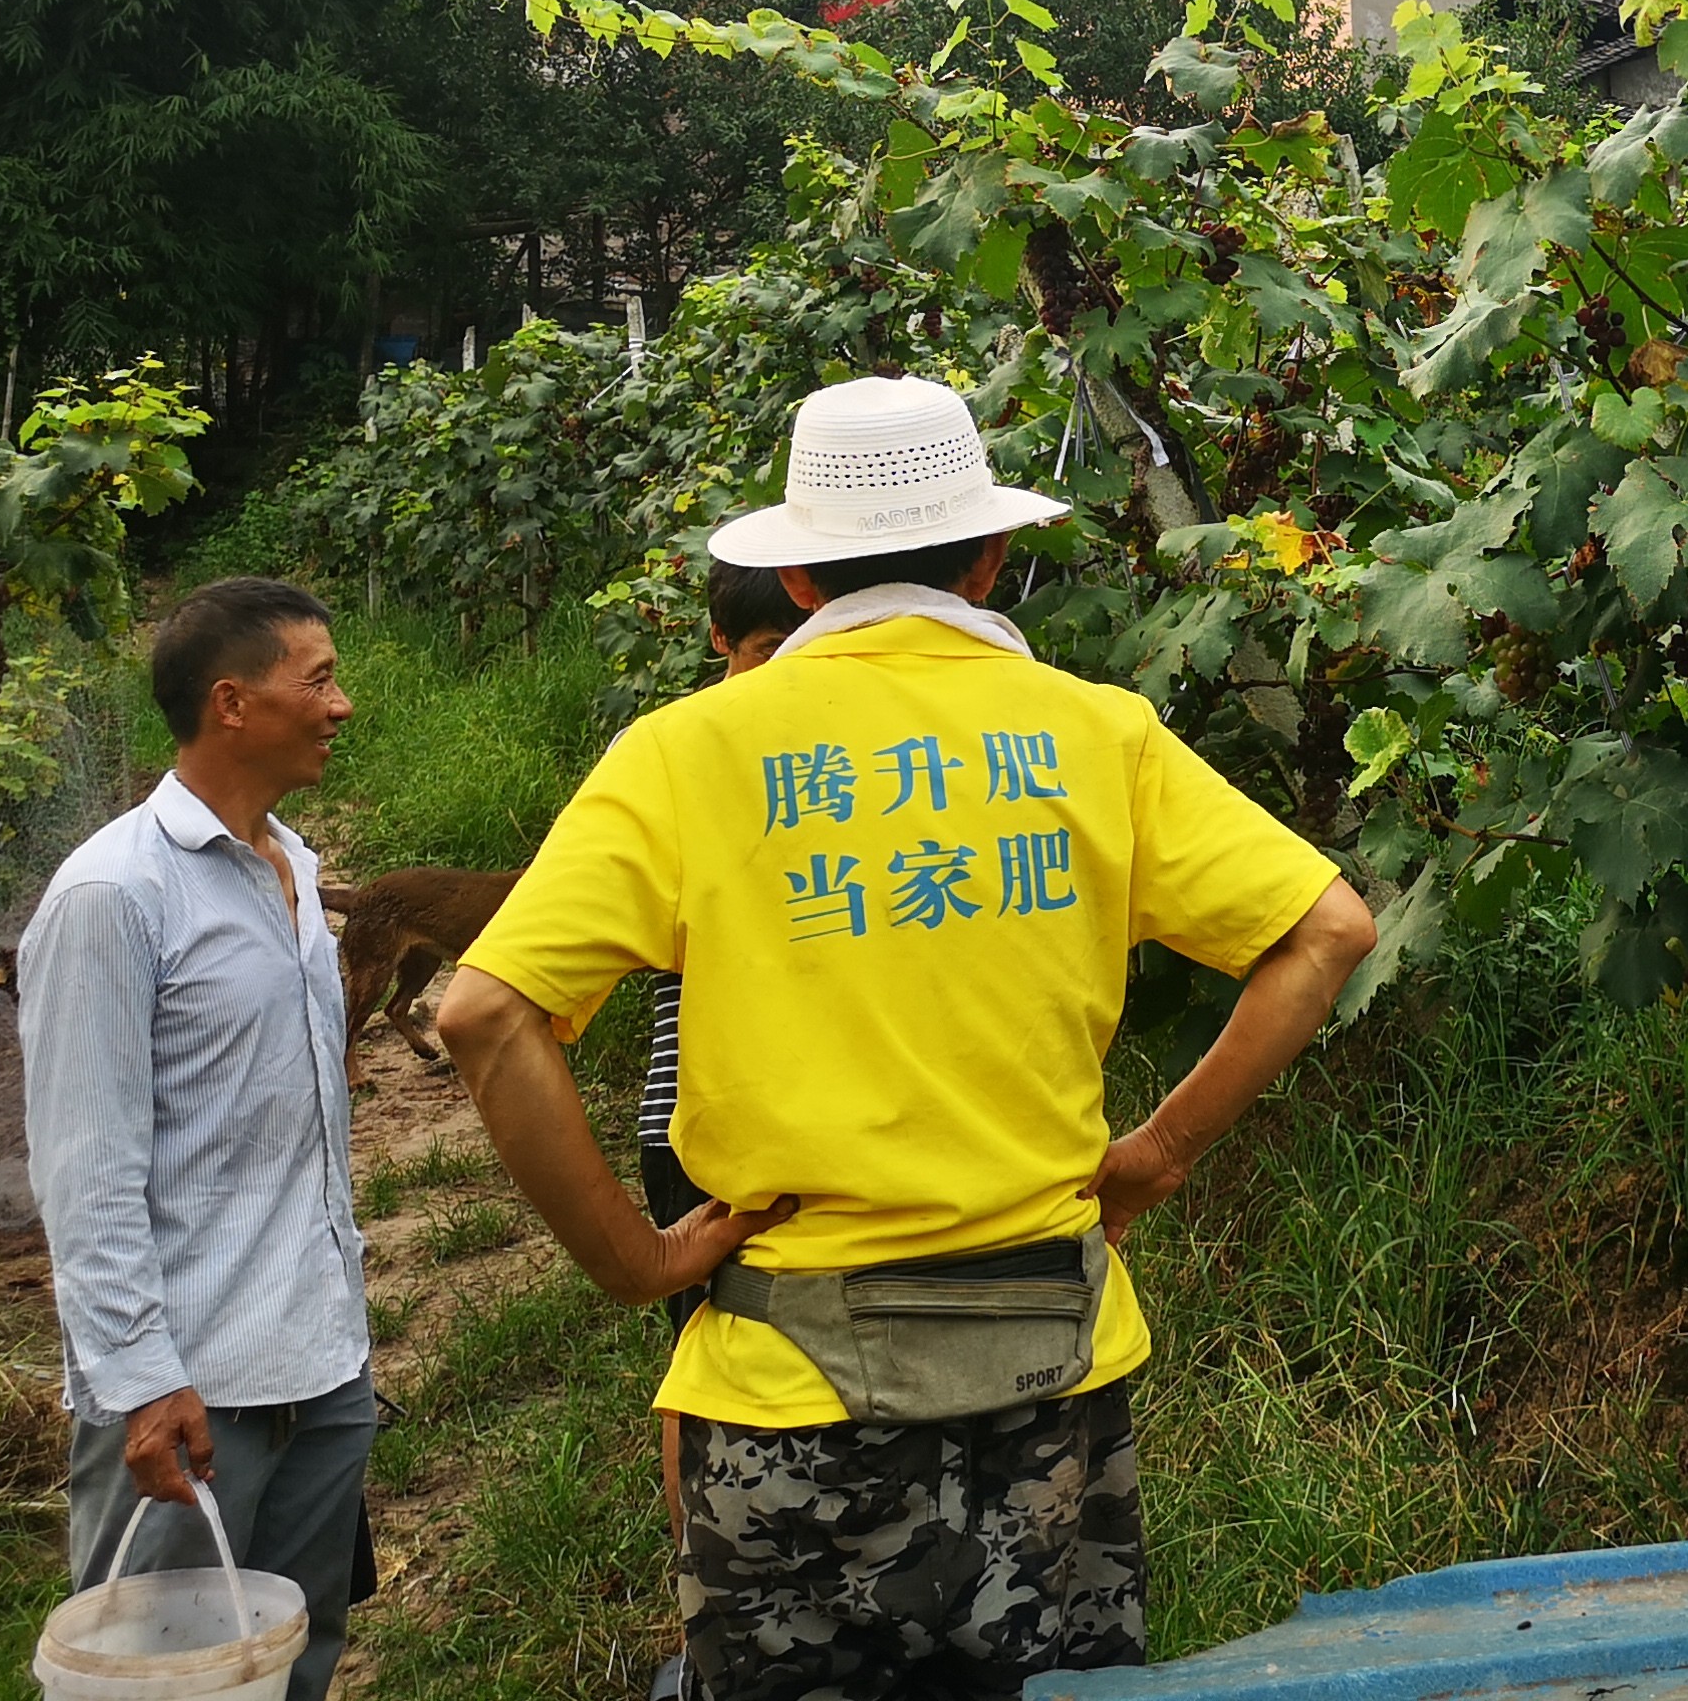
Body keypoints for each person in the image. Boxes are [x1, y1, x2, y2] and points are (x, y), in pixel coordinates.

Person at [438, 374, 1376, 1696]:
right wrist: (1158, 1151)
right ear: (992, 556)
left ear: (804, 577)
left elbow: (486, 1015)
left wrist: (634, 1260)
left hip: (791, 1390)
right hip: (1055, 1374)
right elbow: (1327, 932)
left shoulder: (686, 752)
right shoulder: (1097, 733)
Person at [17, 578, 376, 1701]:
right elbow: (84, 1168)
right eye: (316, 679)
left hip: (321, 1354)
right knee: (175, 1675)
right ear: (231, 702)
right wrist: (140, 1381)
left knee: (296, 1652)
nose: (341, 704)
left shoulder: (293, 866)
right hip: (194, 1386)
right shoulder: (114, 897)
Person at [635, 558, 806, 1690]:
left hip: (790, 1108)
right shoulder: (691, 752)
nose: (773, 676)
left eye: (790, 652)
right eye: (755, 655)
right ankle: (709, 1595)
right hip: (695, 1120)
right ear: (716, 645)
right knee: (709, 1355)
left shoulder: (813, 756)